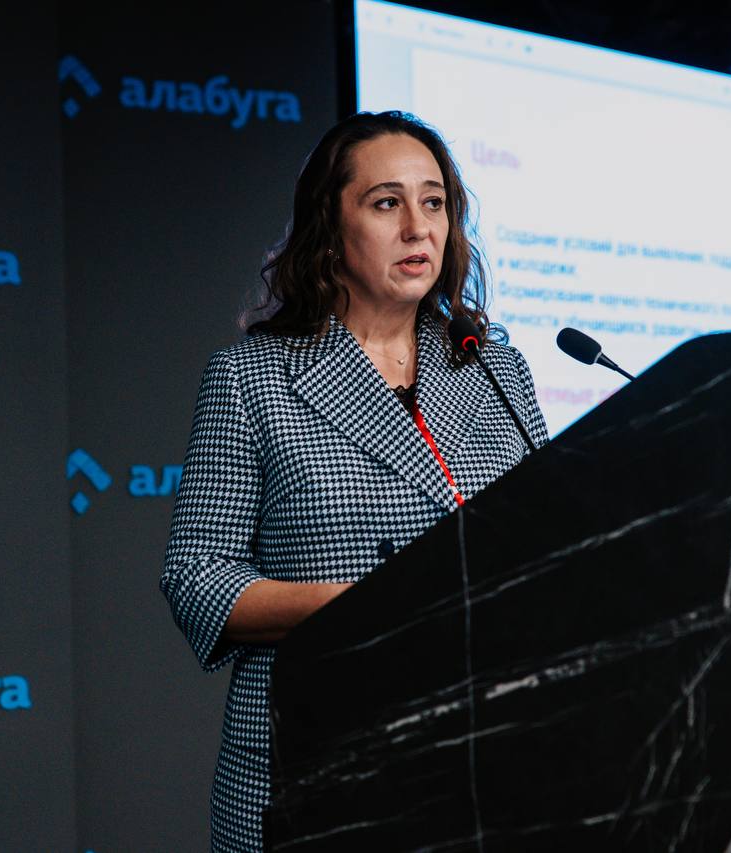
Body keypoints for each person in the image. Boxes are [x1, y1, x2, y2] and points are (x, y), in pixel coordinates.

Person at [160, 110, 547, 852]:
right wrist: (369, 606)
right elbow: (198, 579)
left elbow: (546, 540)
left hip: (479, 752)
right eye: (386, 202)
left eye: (434, 202)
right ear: (330, 229)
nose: (417, 227)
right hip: (319, 757)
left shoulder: (494, 367)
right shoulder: (253, 377)